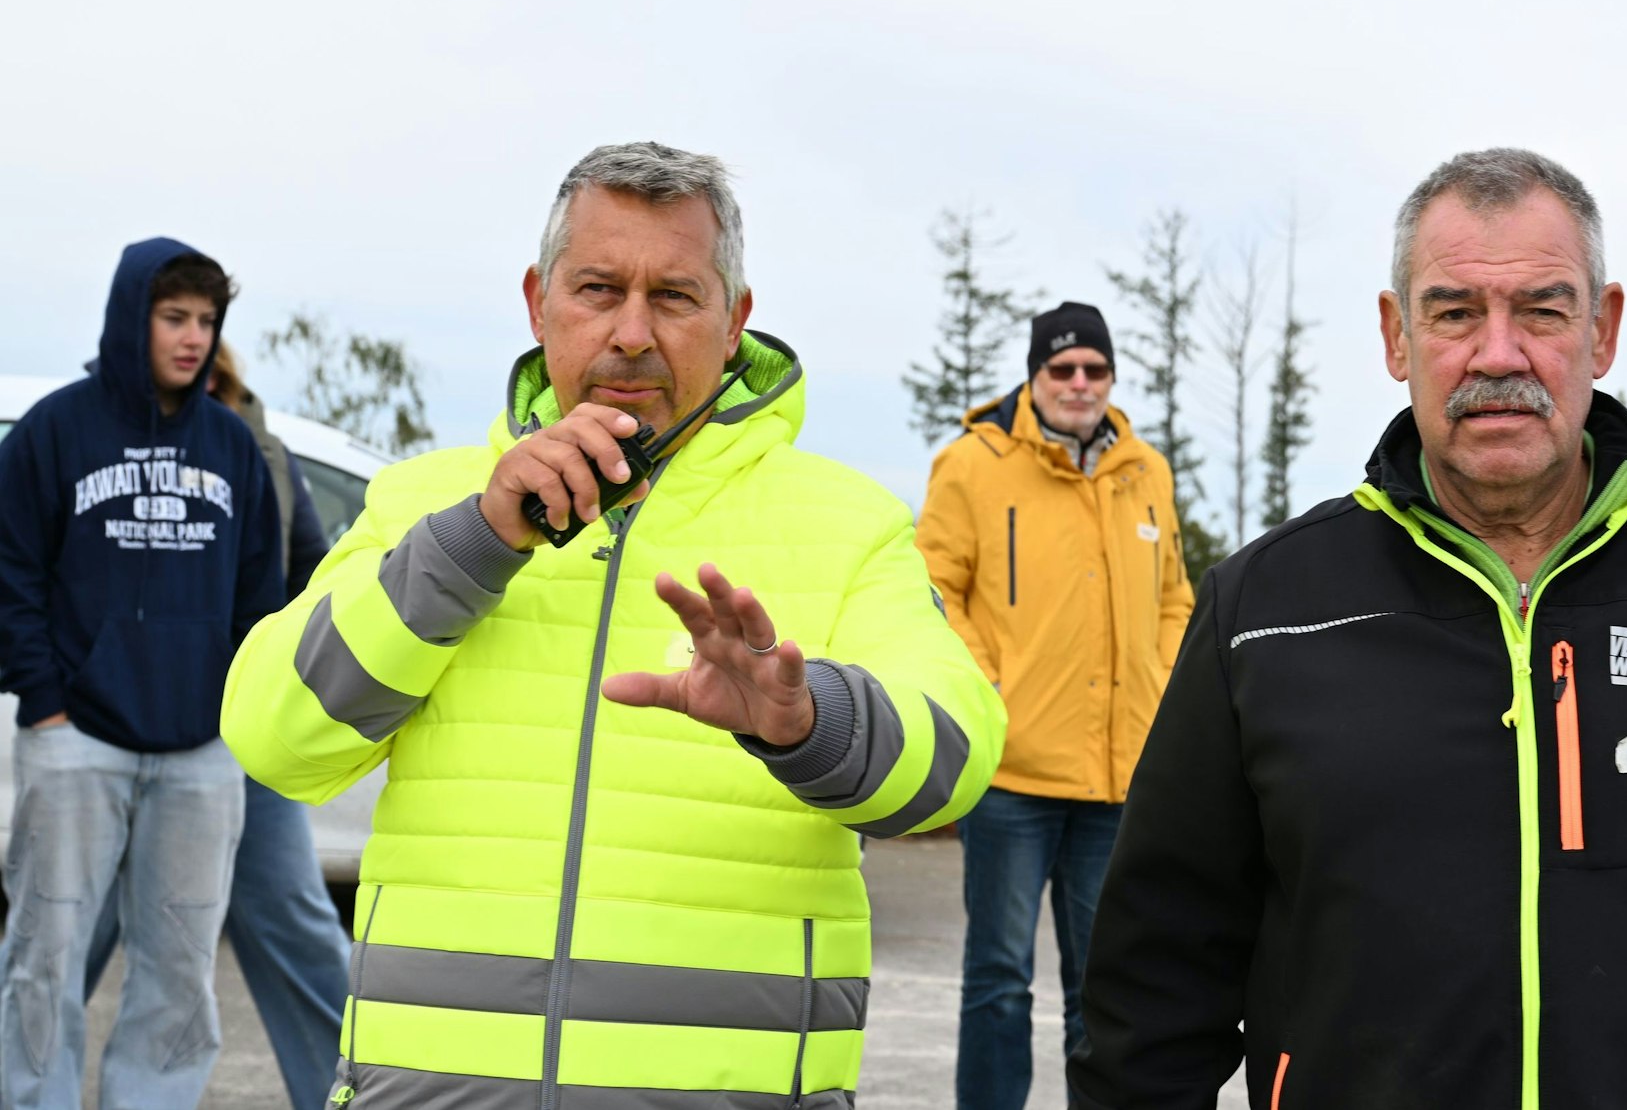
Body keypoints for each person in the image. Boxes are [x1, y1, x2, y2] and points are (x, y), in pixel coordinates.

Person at [1069, 148, 1627, 1109]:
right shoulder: (1265, 614)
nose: (1497, 354)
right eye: (1455, 311)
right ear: (1396, 335)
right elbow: (1153, 989)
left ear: (1602, 328)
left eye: (1542, 310)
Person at [220, 142, 1005, 1108]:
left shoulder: (848, 521)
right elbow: (270, 735)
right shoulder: (424, 504)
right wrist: (470, 546)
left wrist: (808, 724)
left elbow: (958, 757)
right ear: (537, 301)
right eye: (597, 288)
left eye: (675, 296)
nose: (632, 330)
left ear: (735, 319)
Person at [0, 240, 284, 1108]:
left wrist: (235, 715)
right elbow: (11, 570)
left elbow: (258, 593)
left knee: (182, 965)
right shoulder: (56, 428)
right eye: (175, 318)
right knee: (45, 954)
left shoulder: (232, 447)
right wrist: (44, 701)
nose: (193, 337)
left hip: (201, 752)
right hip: (76, 738)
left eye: (206, 320)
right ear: (135, 318)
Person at [915, 301, 1191, 1110]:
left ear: (1110, 377)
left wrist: (1160, 673)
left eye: (1093, 369)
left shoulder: (1148, 472)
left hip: (1116, 777)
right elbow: (932, 587)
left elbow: (1174, 596)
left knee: (1102, 988)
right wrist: (988, 681)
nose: (1079, 383)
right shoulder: (972, 464)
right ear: (1034, 378)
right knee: (999, 980)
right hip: (1011, 772)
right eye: (1061, 369)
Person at [79, 341, 351, 1110]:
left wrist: (264, 662)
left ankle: (350, 1093)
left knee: (294, 923)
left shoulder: (256, 446)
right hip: (115, 733)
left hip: (237, 738)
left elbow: (313, 572)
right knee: (71, 935)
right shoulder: (96, 441)